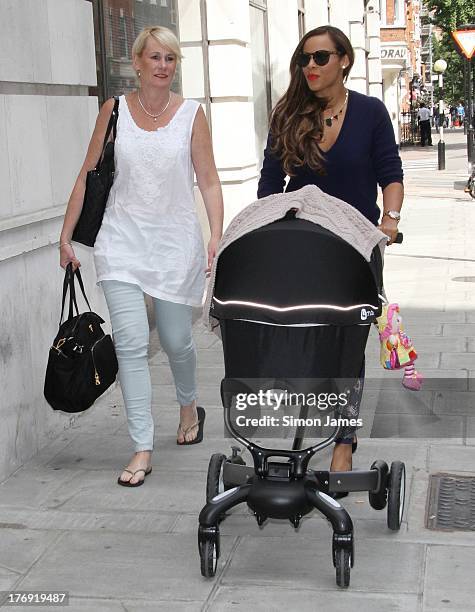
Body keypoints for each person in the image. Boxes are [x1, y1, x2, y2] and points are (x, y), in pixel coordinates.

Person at [59, 26, 224, 486]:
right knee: (130, 344)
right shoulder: (114, 111)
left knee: (175, 341)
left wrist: (216, 234)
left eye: (170, 58)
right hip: (121, 241)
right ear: (136, 63)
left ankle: (189, 404)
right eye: (154, 57)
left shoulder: (192, 114)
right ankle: (142, 447)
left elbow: (208, 179)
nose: (163, 66)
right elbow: (88, 174)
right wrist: (65, 235)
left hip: (174, 244)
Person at [257, 25, 403, 488]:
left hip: (357, 246)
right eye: (304, 60)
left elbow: (390, 175)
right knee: (306, 340)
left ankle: (344, 441)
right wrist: (264, 226)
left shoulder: (371, 113)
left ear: (345, 60)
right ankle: (307, 419)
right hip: (303, 248)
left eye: (320, 58)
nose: (311, 68)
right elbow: (267, 185)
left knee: (348, 345)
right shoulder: (288, 114)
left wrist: (391, 220)